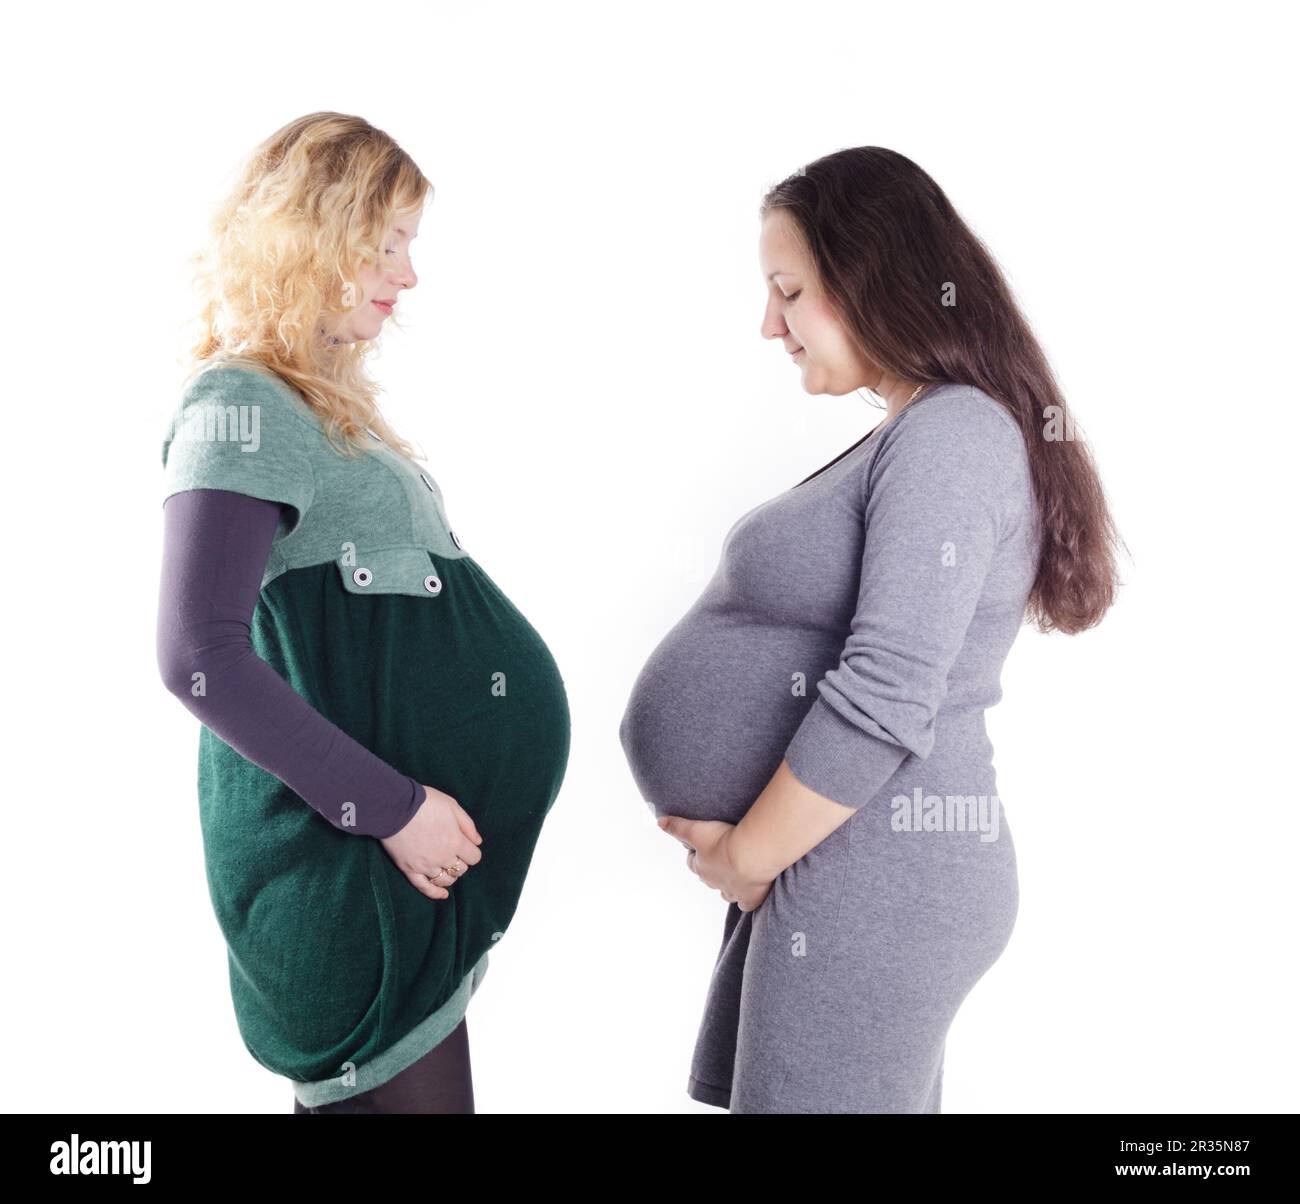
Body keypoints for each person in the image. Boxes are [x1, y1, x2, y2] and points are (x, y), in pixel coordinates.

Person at [619, 146, 1122, 1113]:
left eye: (790, 291)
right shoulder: (925, 430)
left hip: (879, 876)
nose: (770, 324)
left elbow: (892, 686)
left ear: (873, 281)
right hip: (848, 864)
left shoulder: (953, 436)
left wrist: (746, 858)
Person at [156, 112, 571, 1114]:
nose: (407, 275)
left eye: (408, 246)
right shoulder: (238, 403)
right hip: (354, 870)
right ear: (312, 236)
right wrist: (388, 809)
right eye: (385, 243)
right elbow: (195, 656)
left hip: (392, 881)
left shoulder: (313, 405)